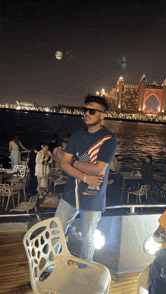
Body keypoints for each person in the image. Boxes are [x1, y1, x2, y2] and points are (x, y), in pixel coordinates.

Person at [54, 94, 117, 266]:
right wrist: (84, 176)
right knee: (56, 231)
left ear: (102, 115)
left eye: (91, 111)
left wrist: (73, 162)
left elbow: (98, 169)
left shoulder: (109, 139)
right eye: (85, 110)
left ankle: (84, 273)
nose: (86, 114)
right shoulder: (76, 136)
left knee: (88, 238)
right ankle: (48, 269)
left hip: (93, 196)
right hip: (70, 193)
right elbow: (63, 165)